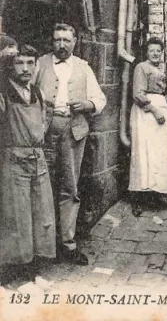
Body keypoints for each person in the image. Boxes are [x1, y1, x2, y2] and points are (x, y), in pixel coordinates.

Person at [35, 23, 106, 266]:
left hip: (73, 130)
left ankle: (67, 244)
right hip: (43, 131)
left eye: (66, 40)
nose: (62, 45)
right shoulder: (40, 64)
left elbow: (100, 99)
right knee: (42, 186)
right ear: (51, 41)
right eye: (57, 40)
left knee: (69, 187)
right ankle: (42, 245)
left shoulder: (83, 68)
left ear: (74, 42)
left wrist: (87, 105)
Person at [0, 45, 55, 284]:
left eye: (30, 63)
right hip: (14, 160)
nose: (25, 68)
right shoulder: (4, 93)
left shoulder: (37, 93)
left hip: (37, 159)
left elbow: (45, 119)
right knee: (16, 213)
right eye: (19, 63)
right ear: (11, 66)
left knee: (40, 210)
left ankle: (34, 263)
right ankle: (15, 267)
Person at [128, 37, 167, 217]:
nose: (155, 53)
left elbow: (160, 95)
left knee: (159, 153)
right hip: (146, 113)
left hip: (159, 112)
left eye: (158, 51)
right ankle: (138, 197)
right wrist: (154, 111)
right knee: (143, 152)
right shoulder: (141, 68)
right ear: (146, 52)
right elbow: (138, 94)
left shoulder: (159, 69)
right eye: (152, 50)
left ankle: (156, 191)